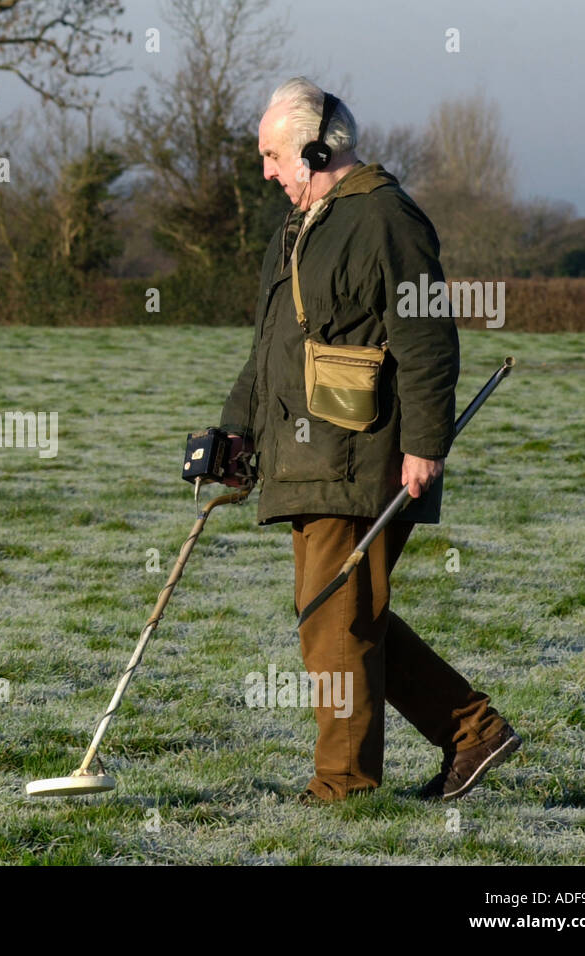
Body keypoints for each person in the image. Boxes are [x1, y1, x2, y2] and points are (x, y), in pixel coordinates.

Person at [216, 77, 521, 803]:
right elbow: (270, 348)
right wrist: (234, 431)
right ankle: (473, 732)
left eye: (272, 155)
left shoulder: (386, 219)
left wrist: (425, 444)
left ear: (317, 149)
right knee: (347, 617)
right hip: (306, 452)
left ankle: (344, 787)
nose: (265, 171)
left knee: (335, 622)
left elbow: (427, 339)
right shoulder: (299, 227)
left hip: (363, 452)